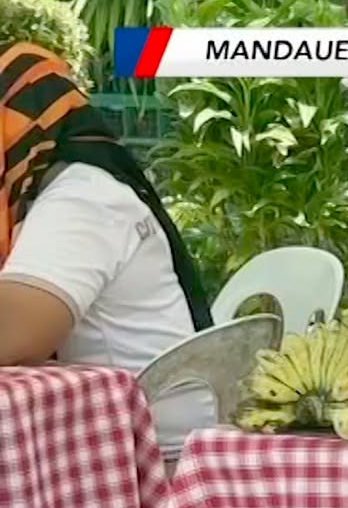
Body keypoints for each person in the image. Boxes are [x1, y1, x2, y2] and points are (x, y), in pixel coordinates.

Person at [0, 42, 215, 444]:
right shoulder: (56, 194)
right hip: (119, 433)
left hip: (156, 456)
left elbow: (15, 334)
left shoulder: (83, 198)